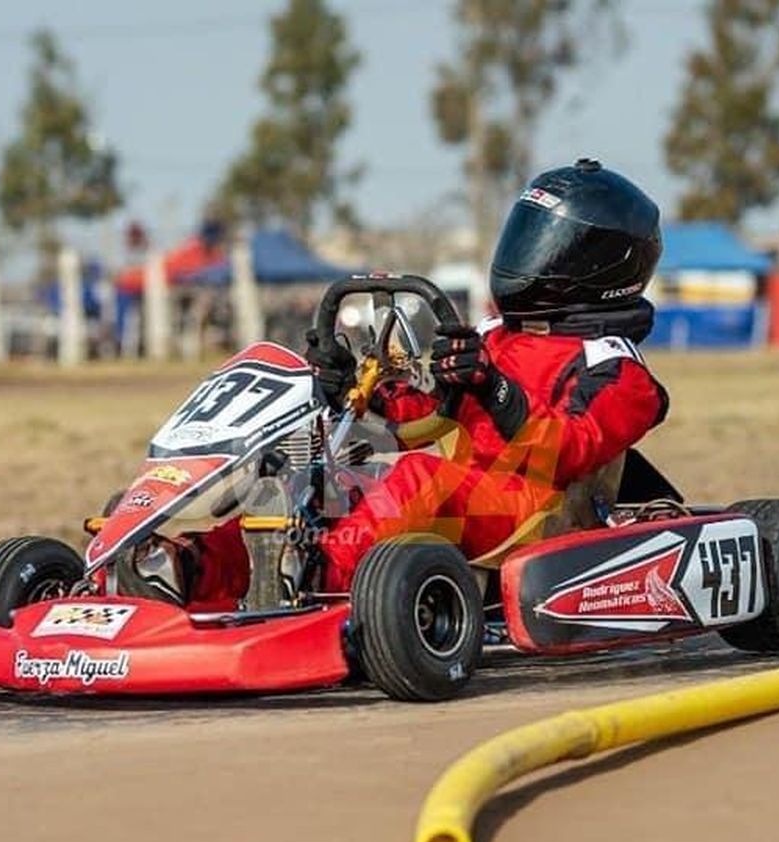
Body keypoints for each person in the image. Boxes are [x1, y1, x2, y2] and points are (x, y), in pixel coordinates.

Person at [135, 159, 670, 603]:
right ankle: (186, 571)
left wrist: (492, 388)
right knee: (315, 485)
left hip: (538, 518)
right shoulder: (494, 335)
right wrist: (357, 389)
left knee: (418, 477)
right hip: (468, 499)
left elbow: (570, 451)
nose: (529, 254)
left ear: (598, 265)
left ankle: (315, 576)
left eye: (551, 243)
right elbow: (424, 413)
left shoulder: (617, 371)